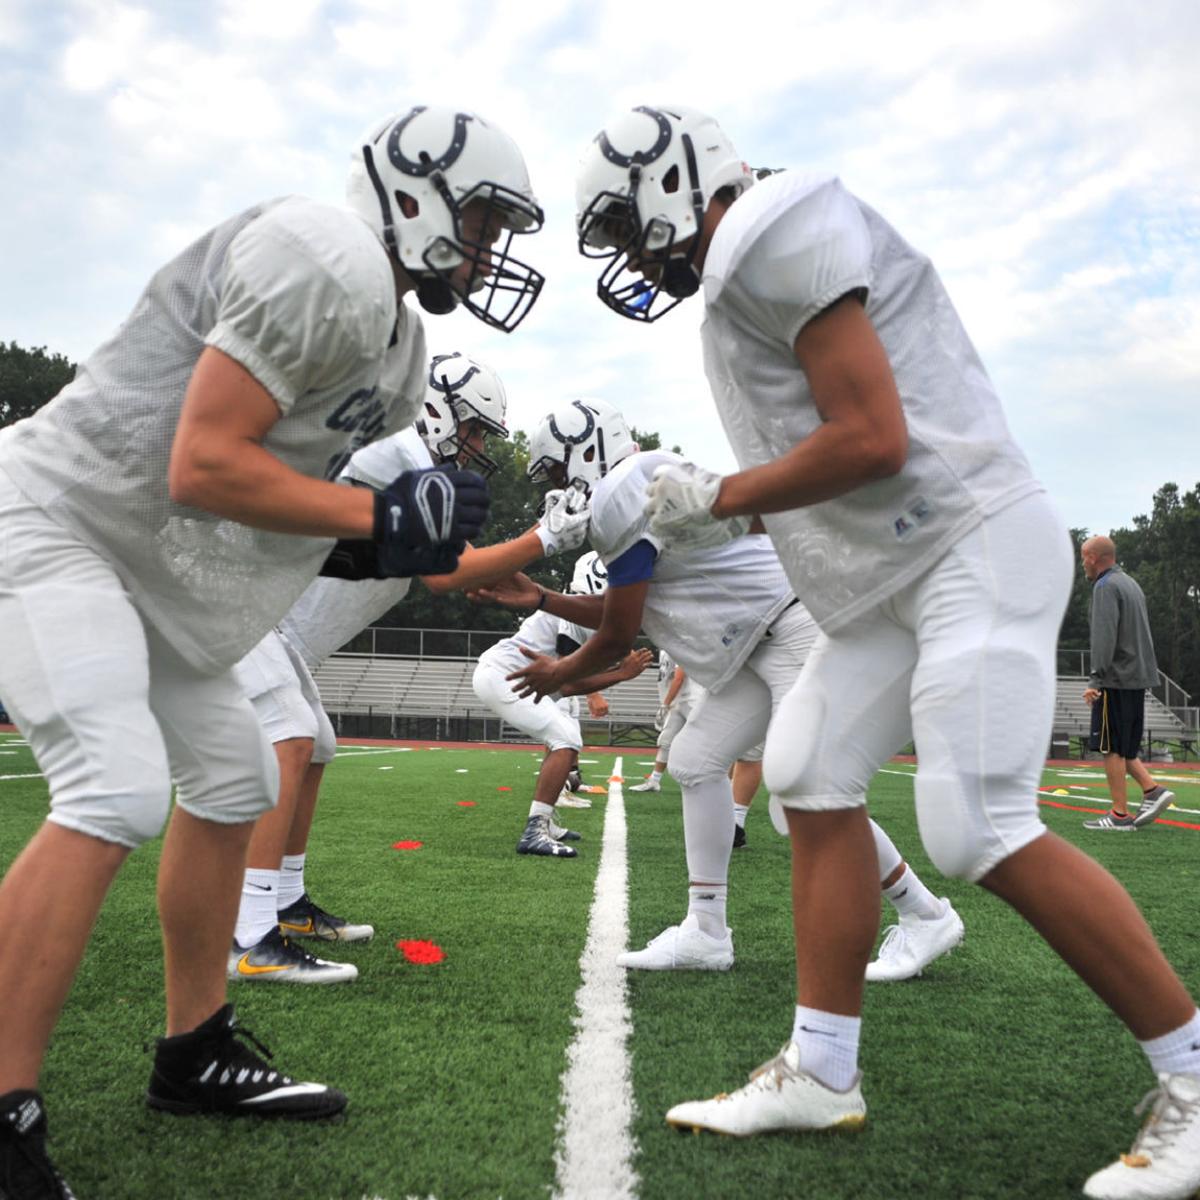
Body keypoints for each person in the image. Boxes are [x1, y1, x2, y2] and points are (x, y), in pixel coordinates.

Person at [575, 104, 1200, 1198]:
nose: (635, 258)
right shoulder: (749, 275)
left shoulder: (772, 224)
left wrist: (721, 495)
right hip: (891, 582)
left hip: (969, 546)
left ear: (679, 184)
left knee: (977, 825)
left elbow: (872, 438)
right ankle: (821, 1068)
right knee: (810, 776)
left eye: (631, 229)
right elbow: (833, 462)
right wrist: (738, 510)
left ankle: (1193, 1075)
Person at [0, 103, 542, 1197]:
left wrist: (363, 541)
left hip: (144, 560)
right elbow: (205, 462)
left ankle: (194, 1048)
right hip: (62, 521)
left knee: (238, 775)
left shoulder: (399, 346)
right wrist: (381, 524)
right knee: (113, 786)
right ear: (412, 189)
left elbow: (274, 501)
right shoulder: (324, 253)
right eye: (481, 220)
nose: (487, 252)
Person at [504, 399, 963, 978]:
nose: (556, 489)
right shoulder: (636, 492)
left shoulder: (625, 485)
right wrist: (542, 599)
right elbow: (627, 609)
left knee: (806, 791)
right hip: (754, 642)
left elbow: (621, 631)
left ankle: (924, 914)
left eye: (554, 471)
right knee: (695, 761)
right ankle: (706, 930)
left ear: (586, 451)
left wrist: (561, 673)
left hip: (791, 626)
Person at [228, 351, 591, 982]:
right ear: (435, 407)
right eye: (474, 429)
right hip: (249, 612)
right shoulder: (395, 446)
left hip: (278, 628)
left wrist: (526, 578)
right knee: (289, 734)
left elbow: (464, 560)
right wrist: (546, 537)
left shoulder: (410, 464)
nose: (476, 446)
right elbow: (447, 570)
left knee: (315, 744)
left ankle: (284, 905)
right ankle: (248, 936)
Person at [472, 549, 652, 857]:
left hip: (513, 677)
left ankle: (545, 820)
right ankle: (534, 830)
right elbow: (567, 684)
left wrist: (618, 672)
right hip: (504, 676)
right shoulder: (572, 616)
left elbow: (564, 684)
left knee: (567, 734)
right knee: (565, 738)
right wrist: (621, 674)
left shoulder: (577, 612)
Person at [1079, 536, 1176, 832]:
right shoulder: (1131, 584)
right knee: (1124, 747)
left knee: (1110, 747)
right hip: (1137, 677)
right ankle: (1152, 790)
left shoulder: (1105, 587)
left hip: (1115, 678)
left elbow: (1105, 635)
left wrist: (1096, 678)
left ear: (1094, 557)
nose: (1082, 562)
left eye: (1084, 556)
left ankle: (1119, 815)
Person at [629, 652, 698, 793]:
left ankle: (721, 783)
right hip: (677, 701)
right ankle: (654, 780)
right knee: (665, 741)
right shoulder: (664, 648)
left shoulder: (679, 642)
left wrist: (665, 704)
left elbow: (679, 677)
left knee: (702, 743)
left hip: (693, 700)